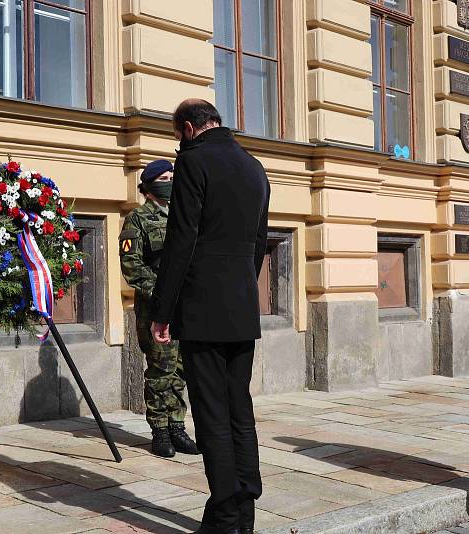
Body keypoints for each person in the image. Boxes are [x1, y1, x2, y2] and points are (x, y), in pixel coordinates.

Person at [150, 99, 270, 534]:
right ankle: (245, 511)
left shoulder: (194, 162)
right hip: (242, 305)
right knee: (240, 407)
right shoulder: (254, 167)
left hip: (202, 306)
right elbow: (260, 242)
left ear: (187, 128)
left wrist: (163, 310)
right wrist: (240, 286)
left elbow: (181, 239)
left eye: (178, 135)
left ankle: (223, 514)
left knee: (211, 412)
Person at [119, 159, 200, 458]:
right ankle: (160, 431)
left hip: (186, 306)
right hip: (156, 308)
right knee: (161, 369)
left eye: (172, 176)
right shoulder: (137, 219)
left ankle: (178, 427)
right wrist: (162, 293)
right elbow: (132, 265)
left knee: (181, 369)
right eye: (164, 178)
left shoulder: (184, 215)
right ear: (150, 185)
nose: (170, 181)